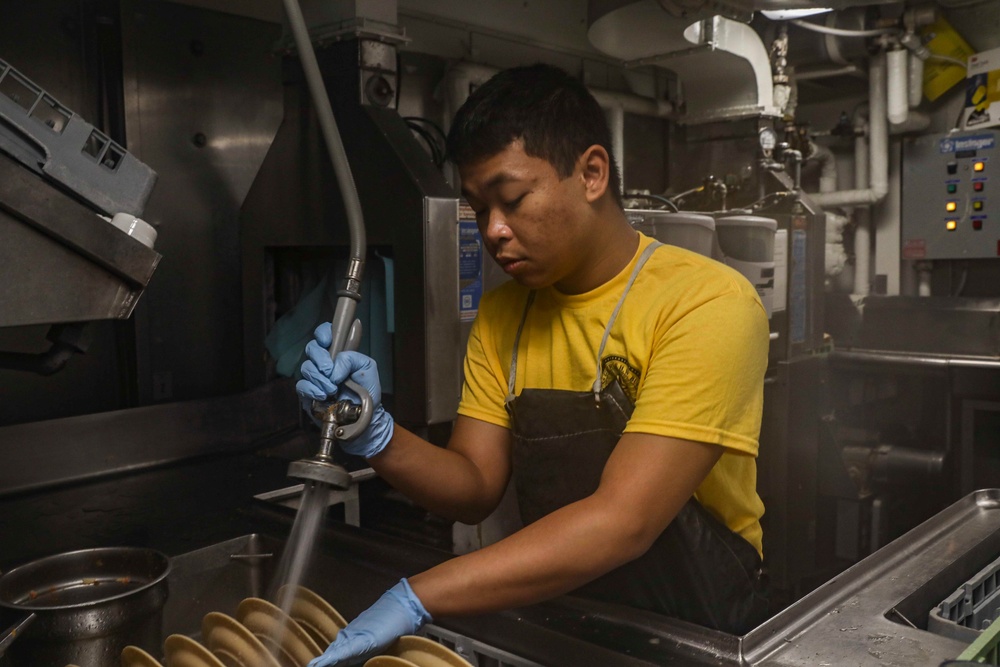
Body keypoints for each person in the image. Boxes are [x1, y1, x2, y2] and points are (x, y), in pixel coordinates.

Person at [297, 63, 770, 667]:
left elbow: (624, 520)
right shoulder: (503, 316)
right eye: (477, 208)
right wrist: (374, 433)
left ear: (592, 174)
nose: (494, 230)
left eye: (514, 199)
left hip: (698, 630)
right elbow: (475, 486)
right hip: (565, 606)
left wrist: (418, 596)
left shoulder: (706, 302)